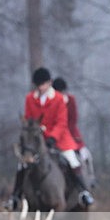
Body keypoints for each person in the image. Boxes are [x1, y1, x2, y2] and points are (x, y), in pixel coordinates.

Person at [5, 67, 94, 210]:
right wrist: (34, 135)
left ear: (49, 83)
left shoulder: (58, 99)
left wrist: (52, 137)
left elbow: (62, 122)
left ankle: (83, 192)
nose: (41, 88)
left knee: (73, 160)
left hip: (59, 139)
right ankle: (15, 197)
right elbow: (30, 120)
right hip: (36, 141)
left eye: (43, 84)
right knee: (22, 164)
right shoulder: (30, 99)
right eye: (38, 85)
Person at [52, 77, 96, 188]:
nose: (61, 94)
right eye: (58, 92)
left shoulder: (71, 100)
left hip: (71, 134)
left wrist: (71, 136)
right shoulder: (52, 101)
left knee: (87, 156)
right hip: (56, 135)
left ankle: (91, 179)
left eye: (61, 92)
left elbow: (73, 120)